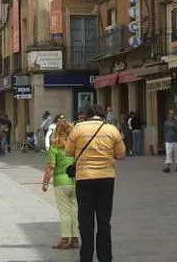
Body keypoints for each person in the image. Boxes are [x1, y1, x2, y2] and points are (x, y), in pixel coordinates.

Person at [65, 105, 126, 262]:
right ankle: (105, 257)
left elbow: (68, 151)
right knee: (104, 220)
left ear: (88, 115)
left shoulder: (78, 129)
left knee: (85, 220)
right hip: (106, 178)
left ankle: (86, 257)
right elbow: (121, 154)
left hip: (84, 179)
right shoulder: (112, 130)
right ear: (103, 116)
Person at [42, 120, 78, 250]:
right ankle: (75, 239)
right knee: (75, 210)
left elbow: (50, 167)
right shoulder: (76, 146)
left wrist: (45, 183)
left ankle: (64, 238)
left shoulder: (55, 147)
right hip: (76, 181)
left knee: (64, 212)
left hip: (61, 182)